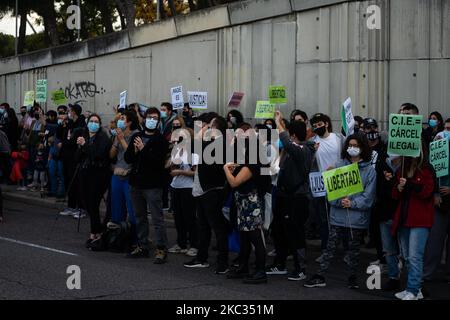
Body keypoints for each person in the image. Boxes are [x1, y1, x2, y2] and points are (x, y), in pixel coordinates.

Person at [304, 134, 377, 289]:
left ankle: (352, 278)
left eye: (356, 145)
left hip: (356, 219)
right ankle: (320, 276)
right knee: (329, 248)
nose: (352, 148)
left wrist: (352, 203)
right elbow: (330, 194)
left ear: (363, 148)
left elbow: (368, 197)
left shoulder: (370, 171)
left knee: (353, 251)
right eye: (350, 145)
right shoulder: (338, 165)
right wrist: (339, 201)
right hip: (337, 216)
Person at [266, 111, 315, 281]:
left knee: (295, 233)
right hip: (283, 195)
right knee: (279, 230)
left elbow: (287, 142)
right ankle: (279, 264)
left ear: (294, 135)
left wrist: (279, 122)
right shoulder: (289, 151)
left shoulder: (304, 150)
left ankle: (300, 267)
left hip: (297, 198)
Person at [184, 114, 230, 274]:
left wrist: (200, 133)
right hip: (203, 190)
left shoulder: (219, 144)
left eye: (210, 126)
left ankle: (223, 262)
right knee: (203, 226)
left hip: (212, 191)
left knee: (217, 227)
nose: (207, 129)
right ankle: (201, 258)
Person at [124, 107, 169, 264]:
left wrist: (143, 150)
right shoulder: (137, 136)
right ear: (144, 118)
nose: (152, 120)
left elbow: (157, 163)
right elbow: (128, 158)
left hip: (152, 185)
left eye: (155, 118)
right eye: (149, 117)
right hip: (136, 183)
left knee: (157, 218)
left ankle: (161, 248)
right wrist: (135, 151)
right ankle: (142, 245)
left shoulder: (161, 140)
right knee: (139, 216)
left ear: (158, 121)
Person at [224, 123, 267, 284]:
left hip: (251, 201)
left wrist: (226, 169)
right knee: (244, 236)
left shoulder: (253, 159)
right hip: (242, 200)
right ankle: (243, 267)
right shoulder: (245, 157)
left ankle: (261, 271)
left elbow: (235, 182)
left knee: (255, 236)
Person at [391, 140, 435, 300]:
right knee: (408, 257)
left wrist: (408, 185)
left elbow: (427, 192)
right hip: (404, 218)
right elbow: (395, 195)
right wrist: (398, 188)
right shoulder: (401, 169)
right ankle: (415, 288)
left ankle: (413, 290)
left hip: (420, 219)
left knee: (415, 256)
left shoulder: (426, 169)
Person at [75, 114, 112, 250]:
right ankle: (98, 229)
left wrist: (85, 146)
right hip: (84, 173)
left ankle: (95, 232)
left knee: (93, 203)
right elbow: (77, 157)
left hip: (98, 175)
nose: (93, 124)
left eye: (96, 122)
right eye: (91, 121)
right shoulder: (84, 135)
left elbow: (97, 155)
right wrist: (80, 146)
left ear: (100, 124)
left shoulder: (103, 138)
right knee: (86, 203)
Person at [309, 113, 344, 258]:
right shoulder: (312, 141)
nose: (317, 127)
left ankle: (344, 248)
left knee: (340, 217)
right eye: (315, 126)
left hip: (338, 182)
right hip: (321, 185)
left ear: (327, 124)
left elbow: (345, 157)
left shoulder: (338, 139)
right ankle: (326, 249)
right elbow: (309, 163)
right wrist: (312, 152)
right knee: (324, 219)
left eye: (319, 124)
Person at [423, 120, 450, 284]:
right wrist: (434, 193)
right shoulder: (436, 150)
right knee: (434, 241)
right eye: (446, 129)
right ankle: (427, 273)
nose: (447, 132)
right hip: (439, 204)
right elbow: (430, 175)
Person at [168, 127, 198, 257]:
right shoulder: (177, 150)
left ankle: (194, 245)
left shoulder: (194, 153)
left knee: (190, 218)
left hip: (188, 188)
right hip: (176, 186)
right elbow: (170, 167)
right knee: (178, 217)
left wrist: (180, 172)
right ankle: (181, 243)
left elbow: (196, 172)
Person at [362, 118, 387, 267]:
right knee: (374, 230)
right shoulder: (363, 150)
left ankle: (388, 259)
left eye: (374, 127)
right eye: (368, 128)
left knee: (384, 230)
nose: (371, 130)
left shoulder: (384, 149)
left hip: (382, 195)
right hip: (368, 195)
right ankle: (381, 257)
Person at [109, 110, 139, 231]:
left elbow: (131, 155)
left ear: (129, 122)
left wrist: (122, 139)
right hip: (117, 174)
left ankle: (135, 237)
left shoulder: (136, 135)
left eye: (122, 118)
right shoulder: (118, 135)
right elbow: (111, 155)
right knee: (116, 207)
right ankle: (118, 234)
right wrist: (117, 140)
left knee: (132, 208)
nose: (120, 121)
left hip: (129, 175)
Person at [58, 104, 86, 218]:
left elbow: (73, 140)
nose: (68, 112)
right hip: (67, 157)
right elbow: (61, 135)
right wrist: (62, 125)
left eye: (70, 110)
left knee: (77, 183)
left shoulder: (81, 124)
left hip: (75, 158)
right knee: (69, 181)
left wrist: (63, 143)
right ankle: (71, 206)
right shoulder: (69, 123)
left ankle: (81, 208)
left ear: (74, 112)